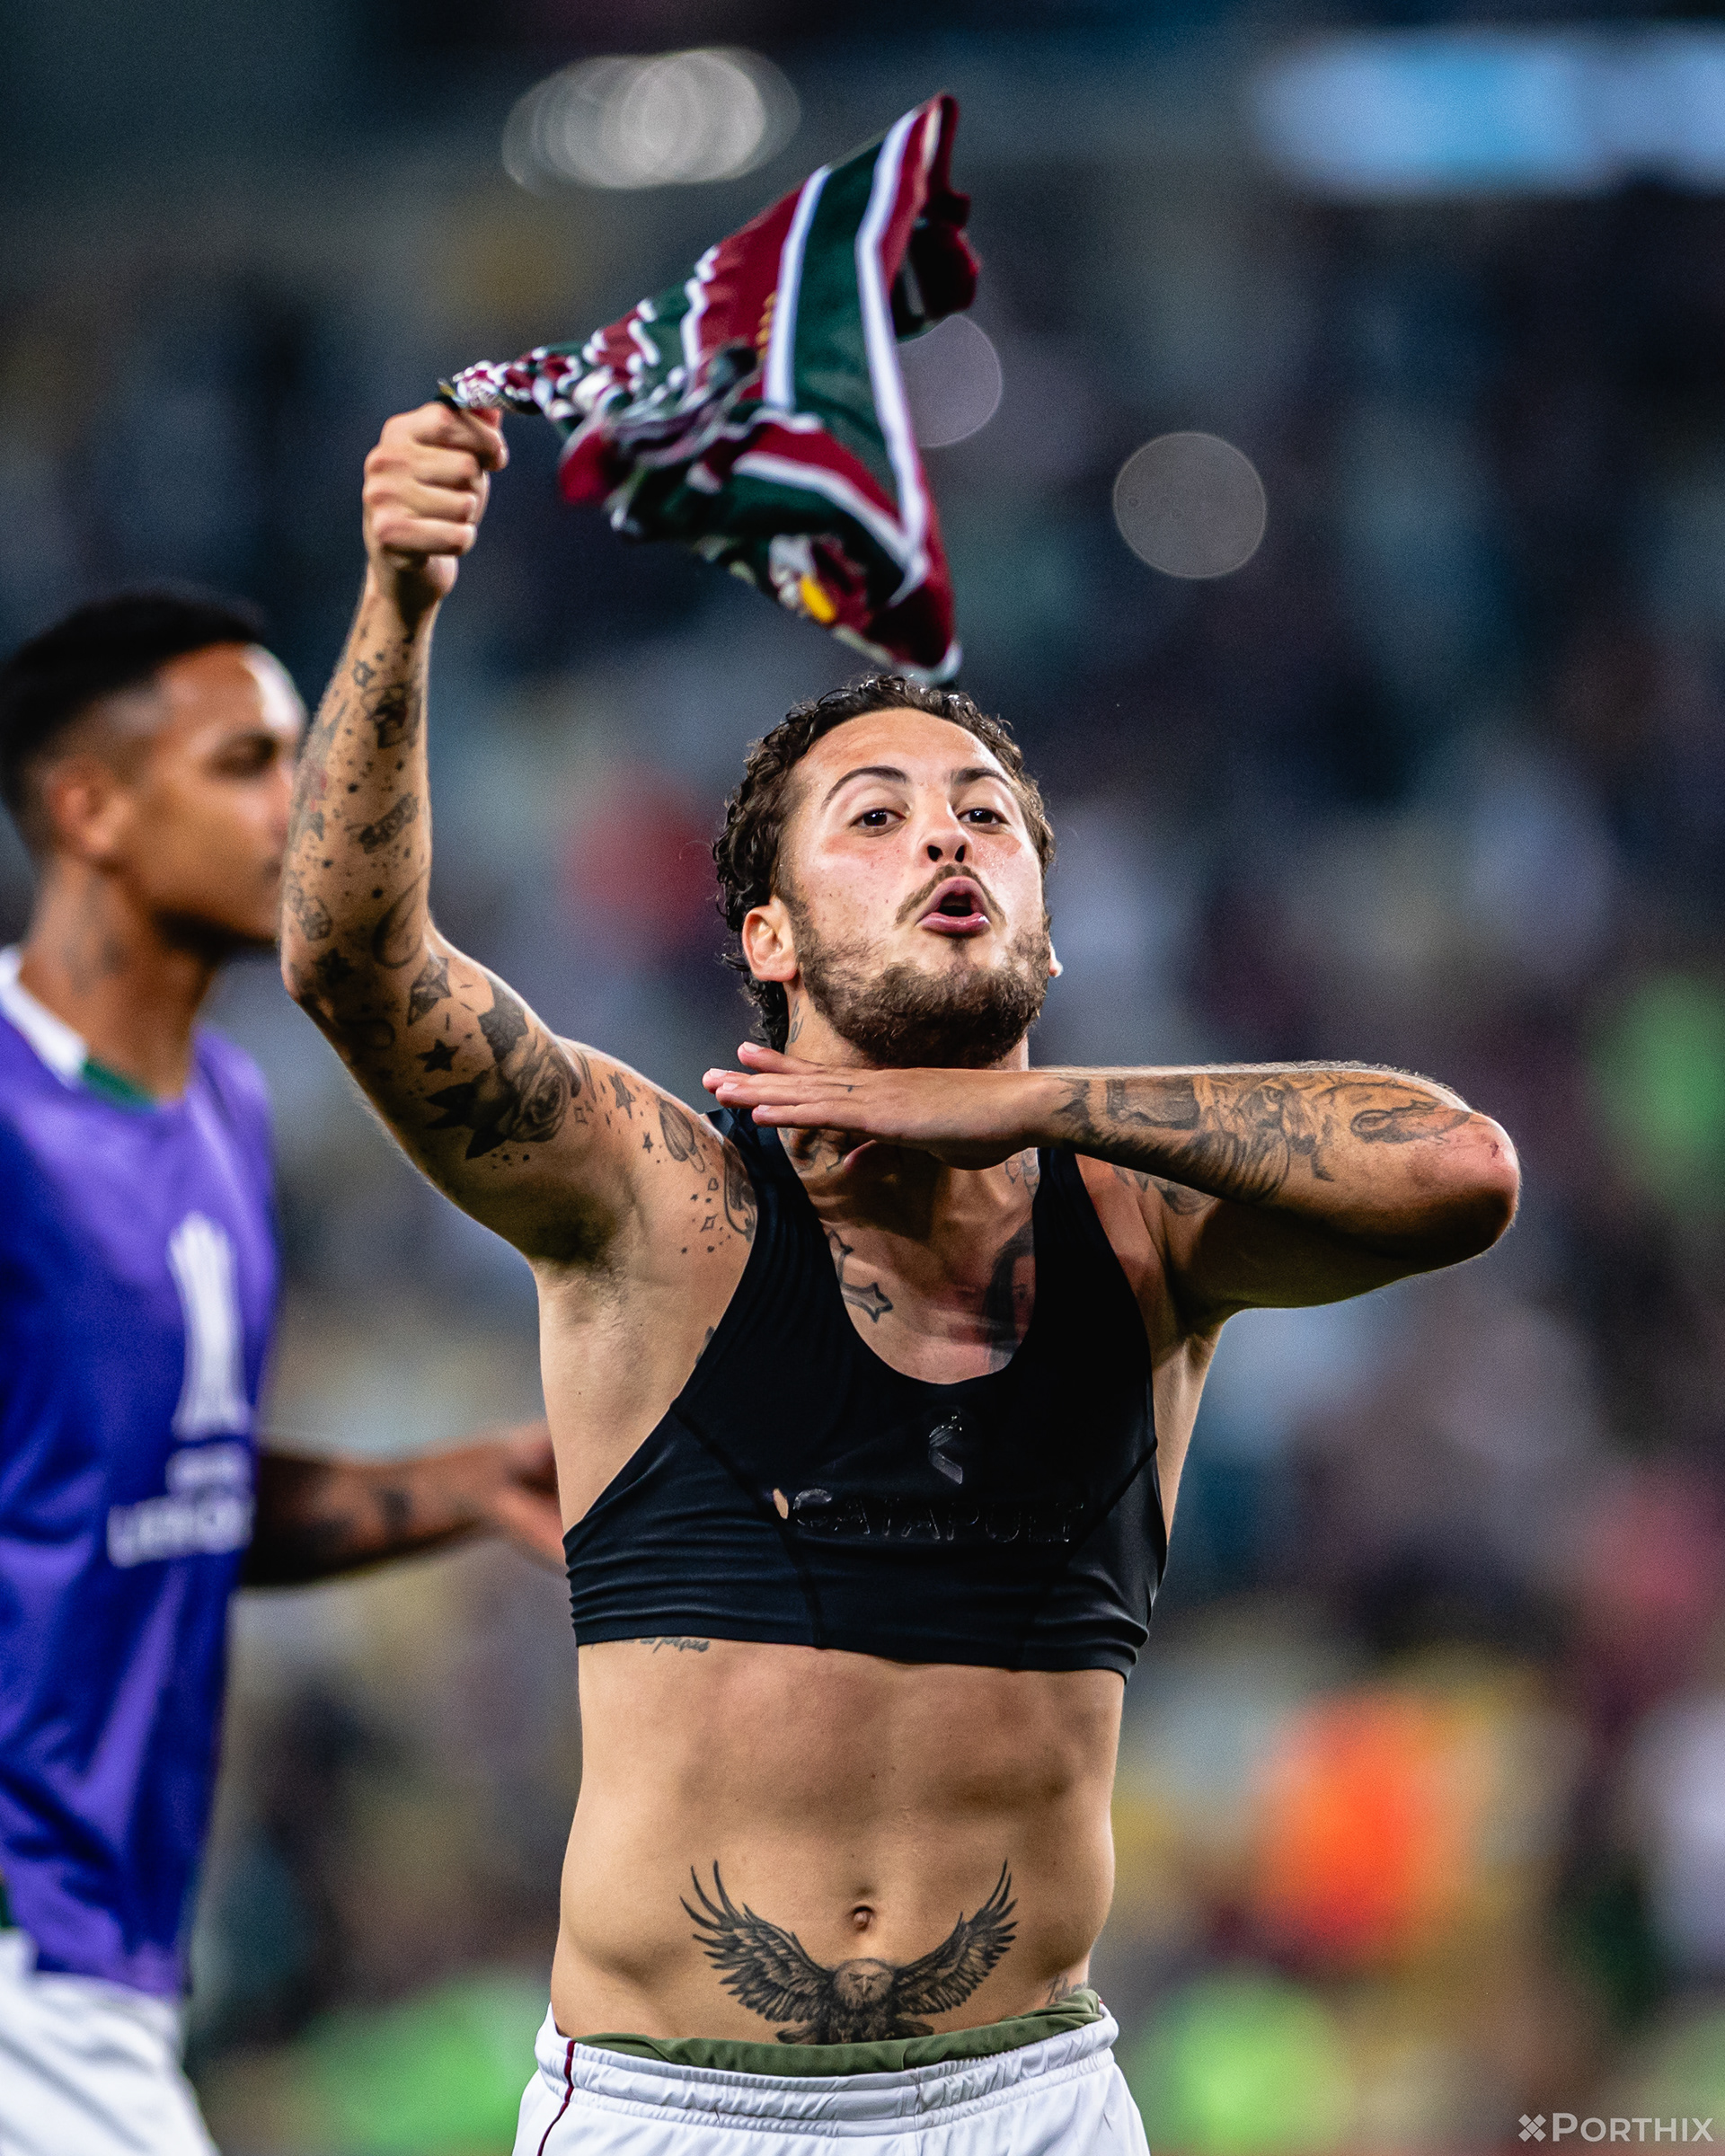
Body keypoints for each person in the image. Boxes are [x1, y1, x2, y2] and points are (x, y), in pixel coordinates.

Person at [282, 402, 1521, 2156]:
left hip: (1032, 2099)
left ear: (1046, 931)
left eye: (990, 819)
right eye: (876, 815)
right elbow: (350, 962)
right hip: (675, 2109)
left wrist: (1033, 1104)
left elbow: (1460, 1173)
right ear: (769, 938)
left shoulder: (1142, 1233)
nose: (949, 841)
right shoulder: (664, 1204)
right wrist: (401, 606)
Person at [0, 589, 565, 2156]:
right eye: (245, 765)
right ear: (91, 808)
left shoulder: (229, 1112)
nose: (298, 810)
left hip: (109, 1942)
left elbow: (153, 1490)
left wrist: (466, 1482)